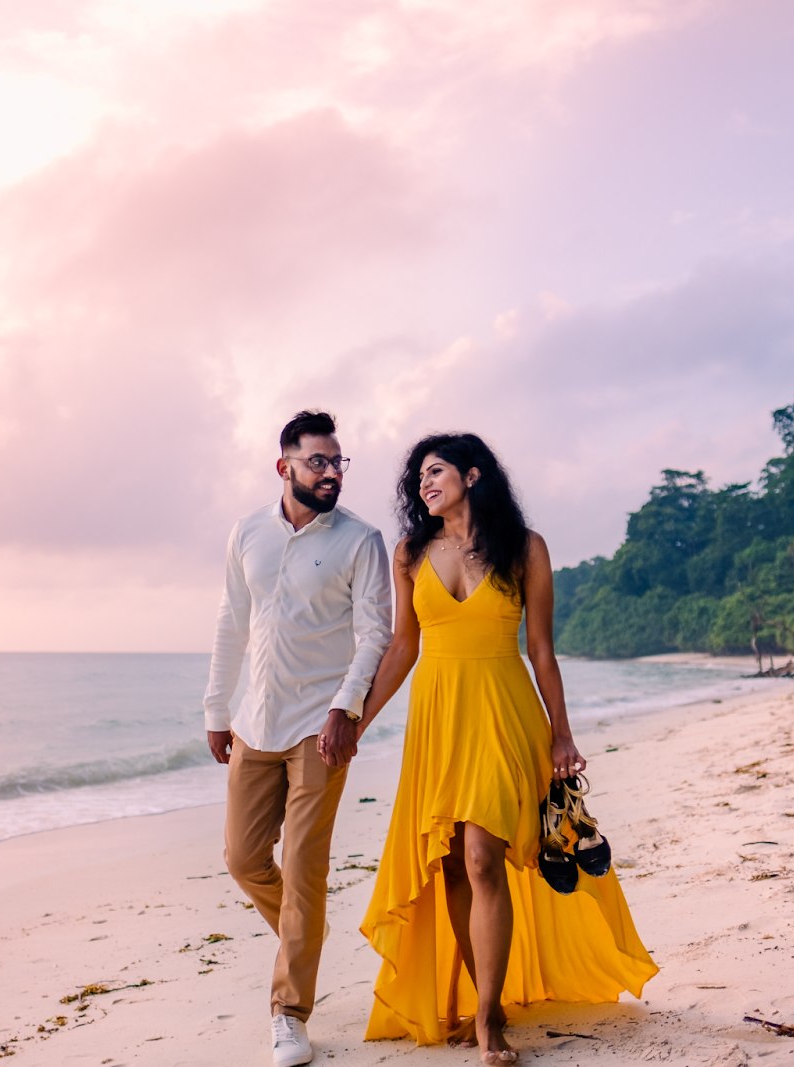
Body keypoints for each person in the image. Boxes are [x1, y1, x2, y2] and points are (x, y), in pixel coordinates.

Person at [354, 432, 658, 1065]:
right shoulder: (409, 551)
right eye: (417, 479)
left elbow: (541, 649)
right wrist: (356, 720)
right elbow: (404, 647)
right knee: (456, 865)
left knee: (484, 856)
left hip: (502, 714)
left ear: (472, 474)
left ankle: (489, 1017)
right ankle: (479, 997)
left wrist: (562, 733)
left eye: (434, 472)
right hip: (438, 722)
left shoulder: (524, 549)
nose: (423, 485)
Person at [204, 409, 391, 1067]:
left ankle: (290, 1013)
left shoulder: (361, 539)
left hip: (321, 727)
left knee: (306, 870)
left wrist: (346, 708)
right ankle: (303, 933)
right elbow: (233, 619)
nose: (332, 471)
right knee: (242, 856)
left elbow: (376, 633)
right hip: (254, 723)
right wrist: (215, 707)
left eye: (339, 462)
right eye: (319, 461)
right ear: (284, 466)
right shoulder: (247, 532)